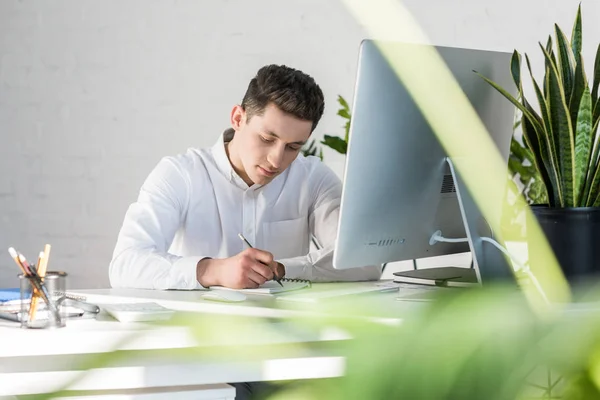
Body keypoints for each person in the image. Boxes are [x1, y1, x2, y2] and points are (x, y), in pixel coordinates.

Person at [109, 64, 381, 291]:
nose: (276, 159)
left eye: (293, 147)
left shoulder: (314, 179)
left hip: (287, 340)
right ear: (238, 118)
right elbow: (125, 264)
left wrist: (282, 268)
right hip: (198, 337)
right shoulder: (180, 174)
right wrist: (211, 270)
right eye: (266, 138)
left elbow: (365, 261)